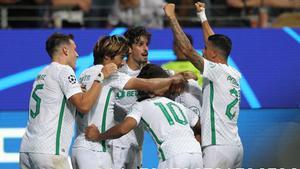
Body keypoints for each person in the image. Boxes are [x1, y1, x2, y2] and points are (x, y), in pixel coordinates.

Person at [71, 35, 184, 169]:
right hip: (95, 149)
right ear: (107, 57)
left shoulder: (84, 74)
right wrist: (173, 79)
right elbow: (148, 85)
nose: (123, 63)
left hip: (78, 147)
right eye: (120, 58)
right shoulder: (110, 75)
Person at [164, 2, 243, 169]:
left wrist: (172, 17)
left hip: (217, 146)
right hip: (235, 146)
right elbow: (213, 43)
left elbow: (187, 49)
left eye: (205, 49)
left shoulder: (215, 70)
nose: (202, 51)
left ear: (214, 54)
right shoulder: (233, 73)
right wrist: (202, 15)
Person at [19, 33, 116, 169]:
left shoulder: (42, 73)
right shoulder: (64, 70)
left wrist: (79, 91)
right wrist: (101, 77)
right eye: (74, 49)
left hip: (26, 150)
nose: (77, 54)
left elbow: (57, 102)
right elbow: (84, 106)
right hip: (49, 151)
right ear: (65, 50)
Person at [85, 64, 203, 169]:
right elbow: (201, 126)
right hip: (196, 154)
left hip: (173, 156)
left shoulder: (140, 106)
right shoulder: (178, 106)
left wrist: (99, 135)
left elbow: (122, 129)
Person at [111, 26, 151, 169]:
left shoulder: (150, 74)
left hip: (137, 144)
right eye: (140, 44)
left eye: (147, 44)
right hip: (115, 145)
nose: (145, 49)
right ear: (129, 48)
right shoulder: (115, 72)